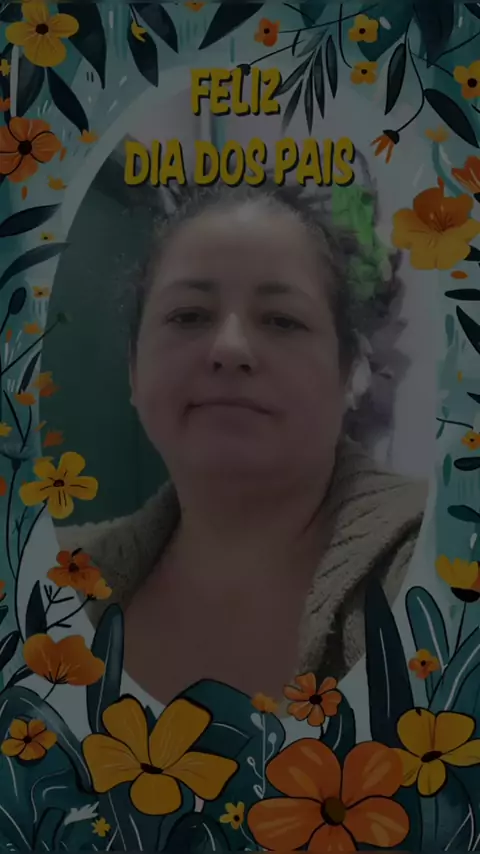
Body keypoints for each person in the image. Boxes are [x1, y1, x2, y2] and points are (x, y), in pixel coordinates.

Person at [64, 180, 427, 705]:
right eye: (189, 315)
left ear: (347, 373)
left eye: (282, 320)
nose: (230, 347)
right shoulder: (48, 576)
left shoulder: (439, 562)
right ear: (133, 371)